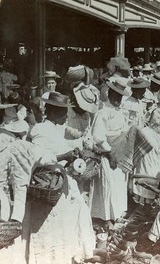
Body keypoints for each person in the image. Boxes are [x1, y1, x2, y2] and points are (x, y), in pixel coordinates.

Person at [26, 91, 96, 264]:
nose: (67, 116)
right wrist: (63, 156)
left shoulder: (55, 129)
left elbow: (59, 145)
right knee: (49, 227)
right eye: (64, 112)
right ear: (54, 112)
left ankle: (68, 256)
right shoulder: (41, 129)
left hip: (60, 182)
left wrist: (73, 151)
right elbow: (37, 156)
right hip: (47, 184)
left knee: (72, 216)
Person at [87, 78, 130, 225]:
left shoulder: (120, 111)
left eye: (120, 96)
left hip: (120, 151)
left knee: (119, 183)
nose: (118, 99)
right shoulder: (103, 112)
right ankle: (104, 217)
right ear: (109, 93)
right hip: (107, 153)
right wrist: (110, 153)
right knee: (108, 184)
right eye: (115, 95)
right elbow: (98, 137)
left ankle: (117, 213)